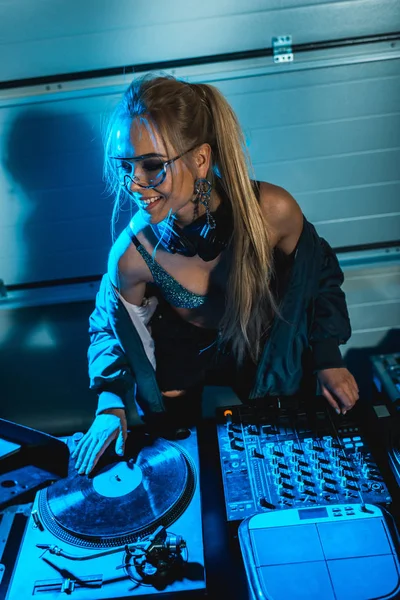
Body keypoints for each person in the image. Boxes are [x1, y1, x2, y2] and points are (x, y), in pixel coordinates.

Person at [72, 75, 359, 475]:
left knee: (280, 448)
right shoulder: (131, 255)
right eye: (125, 165)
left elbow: (320, 275)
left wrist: (328, 356)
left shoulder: (271, 212)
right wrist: (109, 400)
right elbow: (110, 326)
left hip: (261, 347)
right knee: (178, 462)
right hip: (181, 362)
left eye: (152, 165)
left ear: (201, 160)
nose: (135, 183)